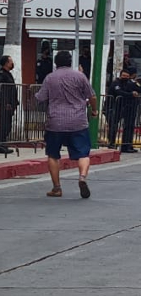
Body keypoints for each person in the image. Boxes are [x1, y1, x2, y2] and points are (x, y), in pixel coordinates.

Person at [36, 51, 97, 198]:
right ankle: (82, 177)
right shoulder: (80, 76)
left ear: (56, 63)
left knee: (53, 154)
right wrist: (94, 110)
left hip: (55, 122)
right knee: (83, 153)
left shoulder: (50, 78)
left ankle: (57, 188)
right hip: (78, 122)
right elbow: (92, 96)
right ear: (71, 62)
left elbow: (40, 97)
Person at [108, 69, 141, 152]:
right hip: (114, 107)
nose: (125, 78)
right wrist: (131, 94)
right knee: (113, 126)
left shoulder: (129, 83)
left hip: (126, 107)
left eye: (127, 76)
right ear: (120, 75)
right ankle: (111, 143)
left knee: (129, 126)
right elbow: (119, 92)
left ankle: (127, 145)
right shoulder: (116, 83)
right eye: (123, 76)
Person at [0, 55, 17, 154]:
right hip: (4, 105)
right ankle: (1, 145)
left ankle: (3, 144)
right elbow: (3, 90)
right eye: (10, 61)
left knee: (7, 126)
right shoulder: (2, 75)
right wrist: (5, 102)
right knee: (3, 125)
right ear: (6, 63)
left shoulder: (8, 74)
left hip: (10, 104)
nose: (12, 63)